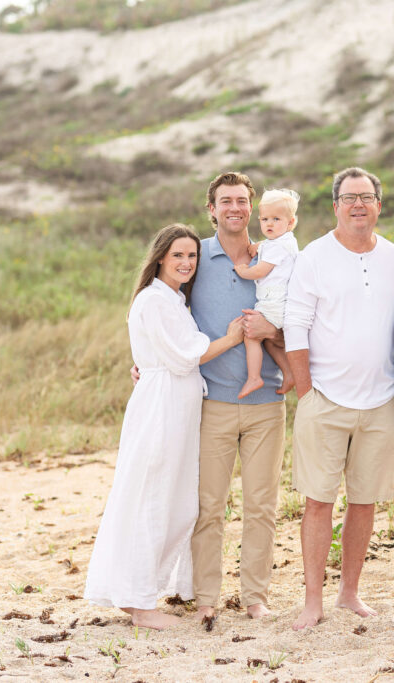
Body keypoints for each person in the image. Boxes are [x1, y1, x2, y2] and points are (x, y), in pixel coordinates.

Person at [85, 224, 244, 629]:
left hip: (177, 407)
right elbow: (183, 356)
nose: (187, 263)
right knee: (153, 498)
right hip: (162, 408)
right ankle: (140, 604)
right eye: (178, 255)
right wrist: (230, 338)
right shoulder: (154, 301)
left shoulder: (173, 300)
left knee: (175, 501)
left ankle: (140, 592)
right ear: (160, 257)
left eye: (192, 256)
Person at [285, 167, 394, 630]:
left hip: (381, 401)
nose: (358, 204)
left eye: (367, 196)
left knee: (365, 501)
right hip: (324, 399)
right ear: (335, 205)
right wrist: (306, 392)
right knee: (318, 501)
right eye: (348, 197)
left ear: (380, 204)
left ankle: (349, 593)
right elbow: (295, 326)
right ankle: (312, 600)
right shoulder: (314, 257)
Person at [190, 172, 288, 622]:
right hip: (212, 403)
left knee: (261, 506)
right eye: (225, 201)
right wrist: (146, 362)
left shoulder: (276, 253)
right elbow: (163, 309)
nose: (235, 208)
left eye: (242, 201)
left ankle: (255, 598)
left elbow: (300, 314)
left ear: (252, 208)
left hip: (267, 404)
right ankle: (206, 598)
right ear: (211, 209)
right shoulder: (193, 259)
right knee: (208, 506)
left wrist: (276, 332)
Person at [234, 188, 301, 399]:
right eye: (264, 219)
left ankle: (254, 376)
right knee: (270, 340)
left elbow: (262, 270)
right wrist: (259, 245)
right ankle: (288, 373)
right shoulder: (286, 241)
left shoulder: (275, 247)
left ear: (290, 223)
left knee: (252, 335)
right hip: (283, 302)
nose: (269, 224)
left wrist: (244, 271)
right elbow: (272, 246)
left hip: (273, 301)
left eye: (276, 219)